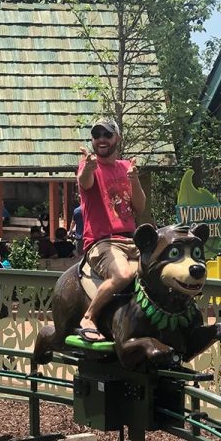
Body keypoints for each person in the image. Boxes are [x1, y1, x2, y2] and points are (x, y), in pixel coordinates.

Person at [77, 116, 146, 340]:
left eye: (107, 134)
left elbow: (140, 206)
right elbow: (85, 181)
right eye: (96, 135)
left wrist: (135, 181)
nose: (101, 139)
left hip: (131, 239)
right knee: (124, 273)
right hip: (102, 241)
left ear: (117, 137)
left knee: (164, 267)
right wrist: (88, 168)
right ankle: (89, 316)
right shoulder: (89, 166)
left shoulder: (127, 167)